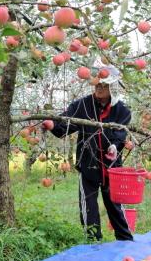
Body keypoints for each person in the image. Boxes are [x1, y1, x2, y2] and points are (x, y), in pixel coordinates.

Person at [46, 65, 133, 241]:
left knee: (115, 206)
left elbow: (121, 133)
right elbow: (65, 124)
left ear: (112, 87)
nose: (99, 88)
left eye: (104, 85)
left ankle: (125, 241)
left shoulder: (122, 110)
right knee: (89, 209)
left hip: (112, 168)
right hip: (88, 166)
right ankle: (93, 243)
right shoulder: (83, 106)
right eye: (97, 85)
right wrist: (51, 124)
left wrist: (115, 146)